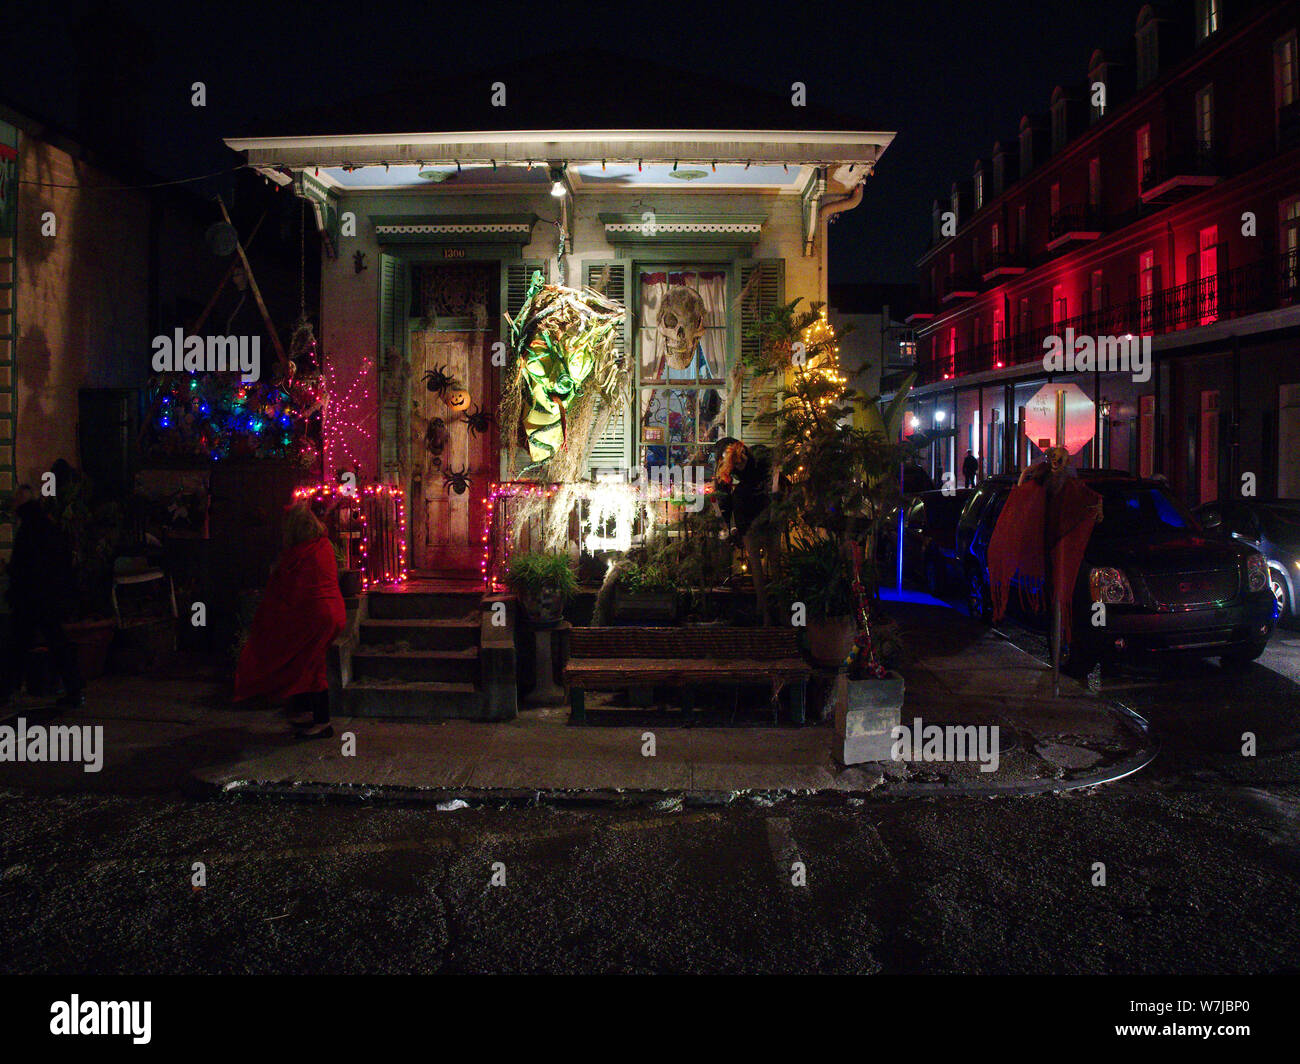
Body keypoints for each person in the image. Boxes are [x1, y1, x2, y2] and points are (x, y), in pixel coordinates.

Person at [235, 501, 345, 739]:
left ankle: (321, 722)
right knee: (313, 665)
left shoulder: (298, 553)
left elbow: (288, 587)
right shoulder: (324, 544)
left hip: (315, 616)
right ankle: (310, 715)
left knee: (312, 668)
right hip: (333, 611)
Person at [2, 485, 84, 707]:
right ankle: (74, 691)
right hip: (47, 596)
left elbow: (24, 566)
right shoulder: (47, 525)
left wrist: (9, 571)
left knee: (17, 645)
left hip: (32, 597)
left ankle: (7, 690)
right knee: (55, 642)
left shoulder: (28, 528)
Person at [714, 438, 779, 626]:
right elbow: (724, 497)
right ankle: (765, 611)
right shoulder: (730, 471)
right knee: (758, 568)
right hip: (749, 517)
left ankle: (775, 610)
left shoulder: (759, 459)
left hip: (764, 513)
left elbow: (774, 471)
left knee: (773, 566)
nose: (739, 465)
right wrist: (731, 526)